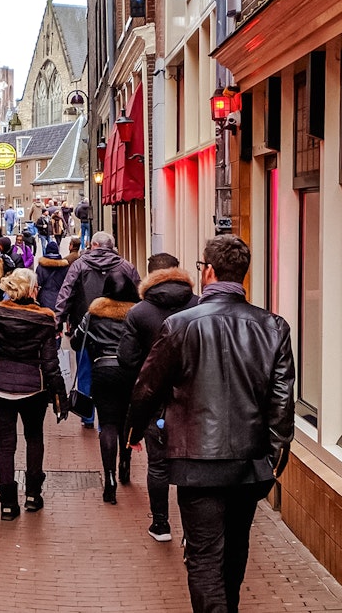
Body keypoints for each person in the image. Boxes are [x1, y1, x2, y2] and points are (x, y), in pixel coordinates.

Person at [126, 235, 295, 612]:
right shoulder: (273, 327)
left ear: (209, 272)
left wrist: (134, 431)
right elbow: (281, 401)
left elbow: (146, 386)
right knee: (235, 550)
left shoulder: (180, 325)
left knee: (203, 556)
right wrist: (274, 455)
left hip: (196, 460)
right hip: (249, 463)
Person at [118, 252, 198, 542]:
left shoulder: (139, 312)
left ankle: (161, 525)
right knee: (192, 463)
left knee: (158, 464)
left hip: (155, 400)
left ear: (149, 275)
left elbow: (126, 359)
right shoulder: (200, 305)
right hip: (194, 396)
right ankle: (192, 531)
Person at [0, 268, 68, 520]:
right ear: (31, 290)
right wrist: (59, 394)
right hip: (33, 388)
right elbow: (50, 363)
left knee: (5, 445)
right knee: (34, 437)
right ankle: (33, 495)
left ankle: (7, 503)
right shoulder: (44, 319)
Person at [54, 232, 140, 429]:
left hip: (85, 328)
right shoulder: (125, 266)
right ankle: (108, 416)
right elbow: (138, 293)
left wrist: (57, 322)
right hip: (118, 328)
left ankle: (87, 415)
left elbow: (66, 294)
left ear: (93, 245)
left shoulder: (79, 265)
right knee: (114, 369)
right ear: (111, 246)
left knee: (85, 372)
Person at [72, 273, 139, 504]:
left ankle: (109, 479)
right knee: (126, 421)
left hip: (103, 370)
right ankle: (125, 464)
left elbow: (75, 341)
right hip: (130, 372)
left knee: (108, 424)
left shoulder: (93, 314)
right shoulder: (137, 314)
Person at [35, 240, 69, 311]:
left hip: (44, 298)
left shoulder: (41, 267)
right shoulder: (64, 267)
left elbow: (37, 283)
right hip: (60, 298)